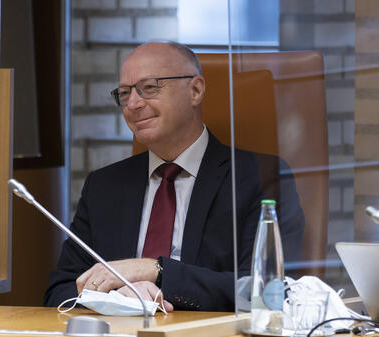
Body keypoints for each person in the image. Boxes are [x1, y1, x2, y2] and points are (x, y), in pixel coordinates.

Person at [44, 41, 304, 312]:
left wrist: (155, 271)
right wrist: (118, 294)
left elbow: (266, 290)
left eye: (150, 88)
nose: (133, 103)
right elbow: (59, 292)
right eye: (124, 93)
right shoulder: (104, 186)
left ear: (195, 90)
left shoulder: (259, 177)